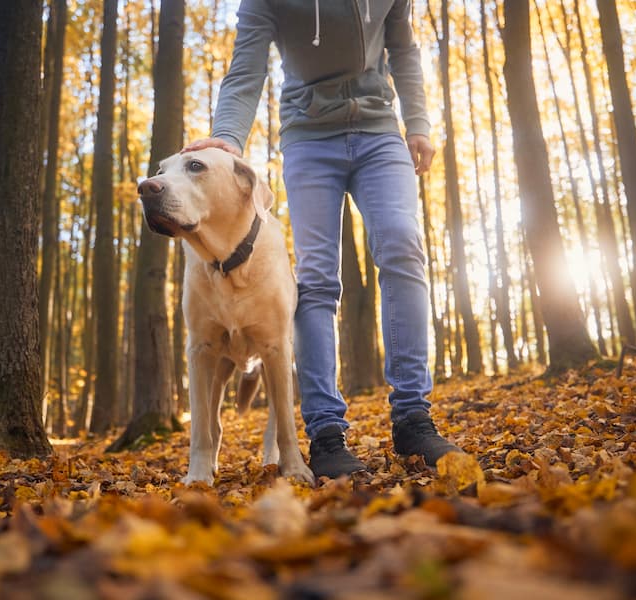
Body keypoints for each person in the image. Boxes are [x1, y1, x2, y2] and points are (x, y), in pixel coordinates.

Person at [184, 0, 463, 479]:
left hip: (379, 129)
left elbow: (403, 46)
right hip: (309, 136)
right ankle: (326, 431)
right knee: (316, 275)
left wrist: (417, 121)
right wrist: (227, 137)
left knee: (402, 246)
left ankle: (413, 416)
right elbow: (245, 66)